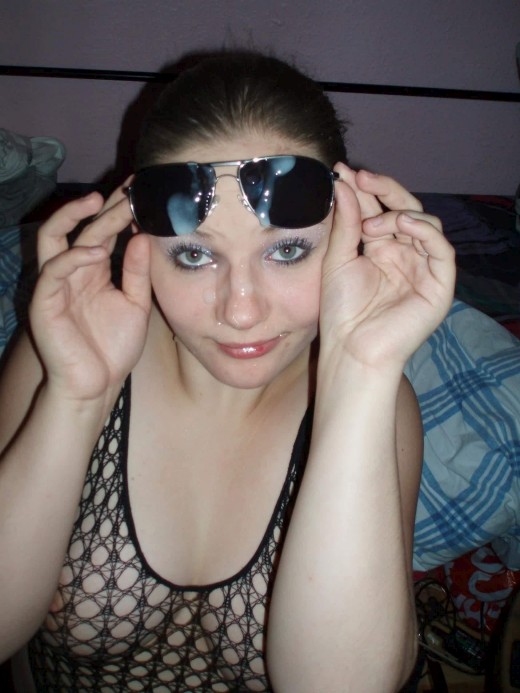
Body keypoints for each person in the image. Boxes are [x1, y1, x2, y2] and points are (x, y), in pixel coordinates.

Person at [0, 50, 455, 692]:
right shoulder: (70, 355)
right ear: (138, 236)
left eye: (287, 250)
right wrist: (76, 398)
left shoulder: (378, 398)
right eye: (194, 255)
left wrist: (363, 372)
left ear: (348, 228)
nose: (241, 311)